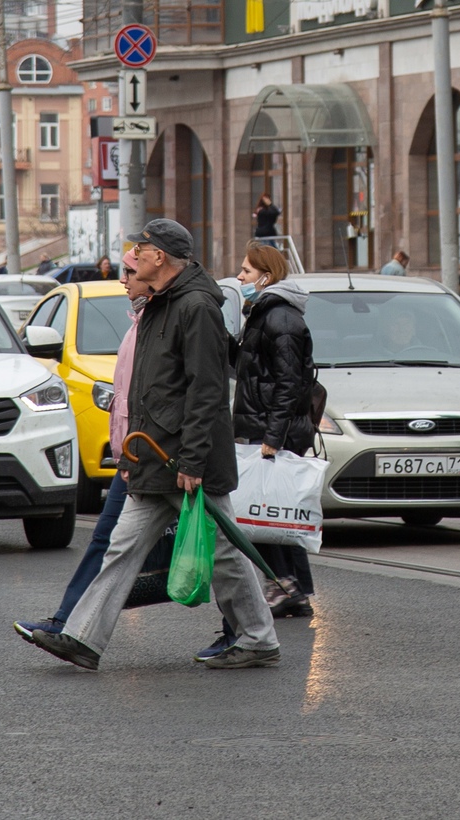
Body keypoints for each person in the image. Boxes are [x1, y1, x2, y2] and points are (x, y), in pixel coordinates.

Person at [27, 218, 282, 671]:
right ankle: (82, 637)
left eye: (139, 249)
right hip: (154, 454)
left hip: (183, 458)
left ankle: (259, 638)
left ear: (158, 257)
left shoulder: (197, 306)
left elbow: (206, 390)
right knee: (122, 548)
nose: (133, 257)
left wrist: (193, 459)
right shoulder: (161, 302)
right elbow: (150, 386)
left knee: (224, 551)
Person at [13, 250, 150, 642]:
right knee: (108, 540)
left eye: (130, 271)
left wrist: (184, 457)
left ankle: (251, 631)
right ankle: (71, 628)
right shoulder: (140, 319)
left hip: (158, 455)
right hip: (137, 453)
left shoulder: (171, 316)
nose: (123, 279)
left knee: (223, 553)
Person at [232, 240, 318, 620]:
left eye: (246, 272)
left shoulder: (280, 318)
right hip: (265, 422)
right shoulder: (264, 312)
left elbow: (289, 384)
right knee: (279, 509)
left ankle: (282, 584)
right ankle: (294, 589)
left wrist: (272, 437)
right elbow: (250, 368)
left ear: (265, 277)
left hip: (271, 427)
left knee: (264, 510)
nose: (240, 277)